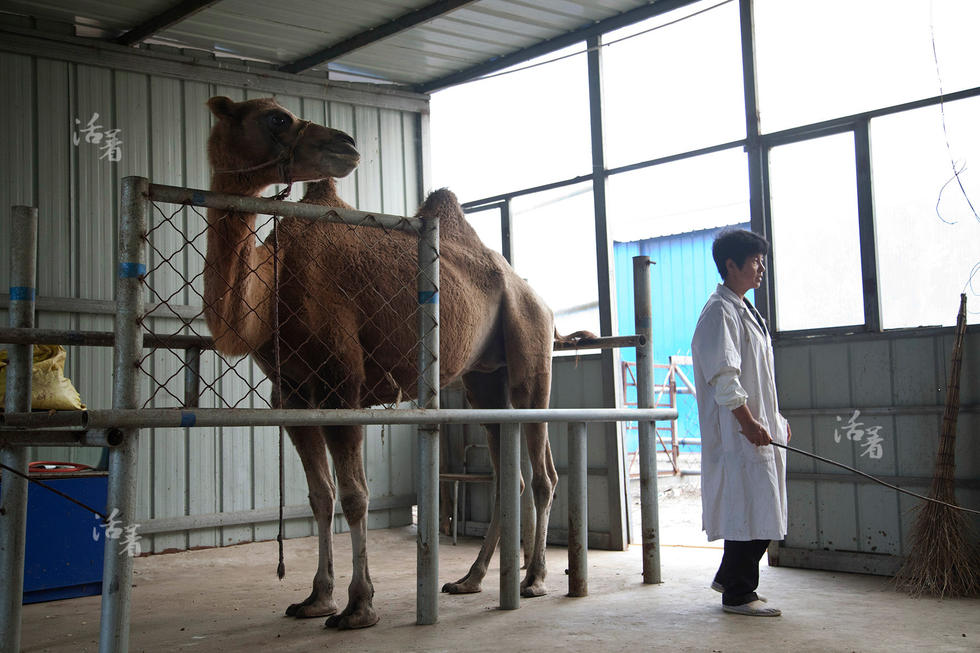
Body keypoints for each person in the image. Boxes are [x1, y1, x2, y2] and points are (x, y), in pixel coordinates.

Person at [690, 228, 790, 617]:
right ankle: (737, 592)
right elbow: (724, 376)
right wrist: (747, 422)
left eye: (762, 261)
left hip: (758, 427)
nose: (761, 268)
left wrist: (775, 419)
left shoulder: (744, 309)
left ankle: (733, 581)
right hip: (737, 433)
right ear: (731, 265)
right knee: (749, 510)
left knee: (760, 508)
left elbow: (760, 377)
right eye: (755, 262)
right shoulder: (719, 312)